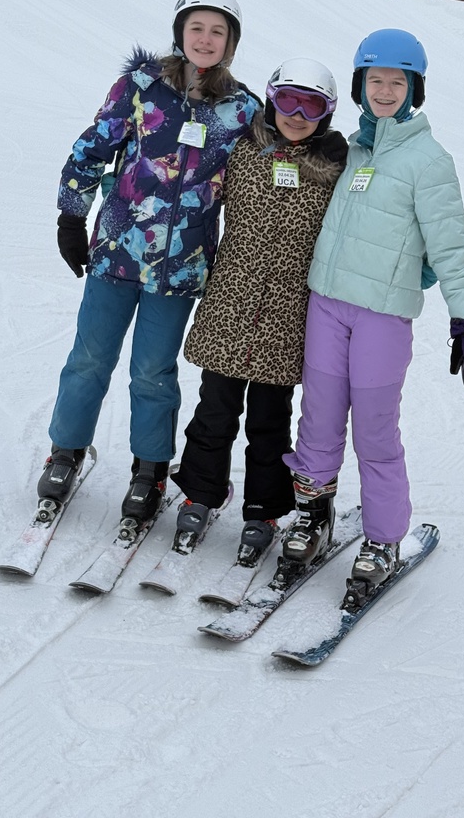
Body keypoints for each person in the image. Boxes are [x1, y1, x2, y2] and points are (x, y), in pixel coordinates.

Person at [36, 0, 260, 521]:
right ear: (180, 33)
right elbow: (92, 148)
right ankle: (65, 451)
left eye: (218, 31)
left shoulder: (242, 109)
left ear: (230, 43)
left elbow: (261, 179)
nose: (205, 39)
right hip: (116, 254)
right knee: (89, 359)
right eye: (197, 27)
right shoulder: (141, 86)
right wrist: (72, 217)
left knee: (154, 371)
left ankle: (150, 469)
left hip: (180, 267)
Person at [281, 28, 464, 597]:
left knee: (374, 429)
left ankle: (383, 538)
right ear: (360, 86)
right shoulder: (352, 150)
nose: (386, 91)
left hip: (381, 318)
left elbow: (450, 246)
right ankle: (313, 515)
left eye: (398, 82)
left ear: (415, 88)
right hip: (327, 305)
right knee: (318, 419)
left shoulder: (429, 160)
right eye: (376, 80)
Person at [168, 59, 348, 557]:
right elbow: (193, 186)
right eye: (288, 100)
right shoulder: (244, 149)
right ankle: (201, 492)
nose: (297, 115)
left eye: (312, 106)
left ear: (327, 113)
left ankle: (265, 507)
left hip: (287, 316)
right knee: (214, 409)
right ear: (271, 100)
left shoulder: (335, 170)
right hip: (231, 303)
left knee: (270, 420)